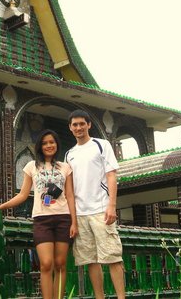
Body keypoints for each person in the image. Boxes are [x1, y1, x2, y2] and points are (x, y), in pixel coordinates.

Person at [0, 129, 77, 299]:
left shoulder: (65, 167)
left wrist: (74, 222)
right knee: (45, 264)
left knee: (60, 264)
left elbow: (70, 195)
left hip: (63, 219)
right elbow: (23, 195)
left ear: (56, 144)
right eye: (44, 143)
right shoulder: (31, 166)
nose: (49, 145)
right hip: (41, 220)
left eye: (52, 142)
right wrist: (1, 207)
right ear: (39, 146)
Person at [65, 109, 125, 299]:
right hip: (81, 214)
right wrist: (73, 219)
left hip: (101, 210)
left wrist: (112, 206)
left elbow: (111, 175)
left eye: (82, 123)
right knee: (91, 260)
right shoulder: (69, 154)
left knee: (113, 257)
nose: (79, 127)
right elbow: (69, 190)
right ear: (70, 128)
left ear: (89, 125)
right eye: (75, 124)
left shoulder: (101, 145)